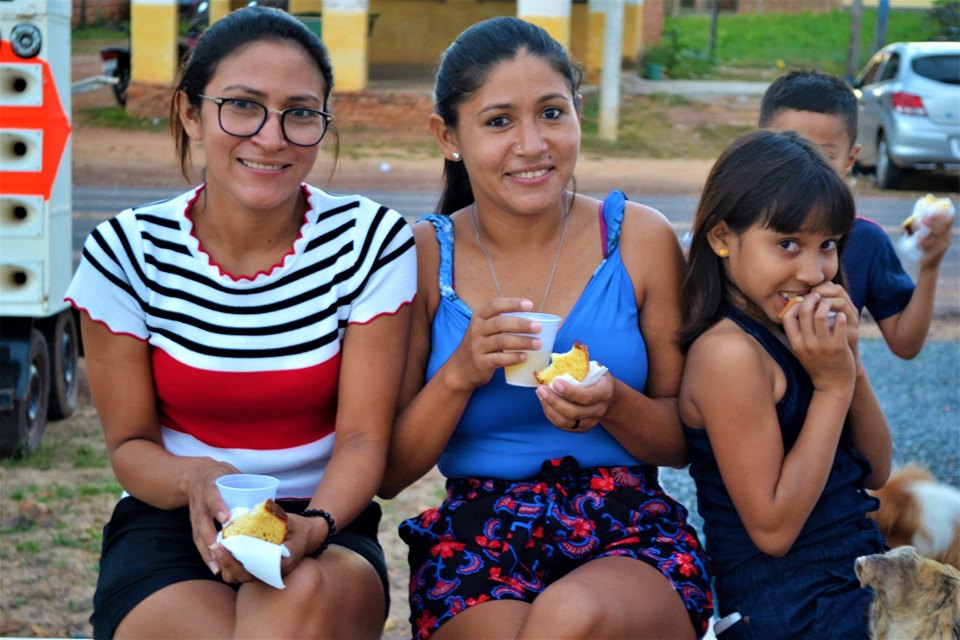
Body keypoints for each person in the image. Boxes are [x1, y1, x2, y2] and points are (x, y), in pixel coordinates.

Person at [65, 7, 416, 638]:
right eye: (243, 105)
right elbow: (129, 448)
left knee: (298, 593)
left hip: (327, 522)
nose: (272, 136)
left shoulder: (370, 241)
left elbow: (363, 440)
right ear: (191, 113)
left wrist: (312, 529)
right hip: (170, 525)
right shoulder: (126, 251)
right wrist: (197, 476)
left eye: (300, 112)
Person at [379, 16, 713, 640]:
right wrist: (459, 374)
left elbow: (683, 442)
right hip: (477, 533)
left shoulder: (637, 238)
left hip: (627, 524)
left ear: (577, 114)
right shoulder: (423, 256)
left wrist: (614, 403)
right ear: (447, 136)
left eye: (552, 113)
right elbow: (390, 471)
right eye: (499, 121)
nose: (532, 144)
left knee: (570, 619)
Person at [678, 129, 893, 639]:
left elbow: (877, 469)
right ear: (722, 238)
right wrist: (831, 390)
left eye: (829, 246)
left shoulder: (803, 335)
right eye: (788, 244)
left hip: (858, 576)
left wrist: (849, 361)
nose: (814, 272)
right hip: (789, 606)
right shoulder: (728, 355)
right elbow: (772, 530)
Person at [759, 69, 954, 359]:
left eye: (824, 156)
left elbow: (905, 344)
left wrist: (930, 266)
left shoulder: (866, 241)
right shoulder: (735, 233)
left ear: (851, 159)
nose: (803, 169)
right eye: (787, 151)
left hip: (836, 399)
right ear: (758, 149)